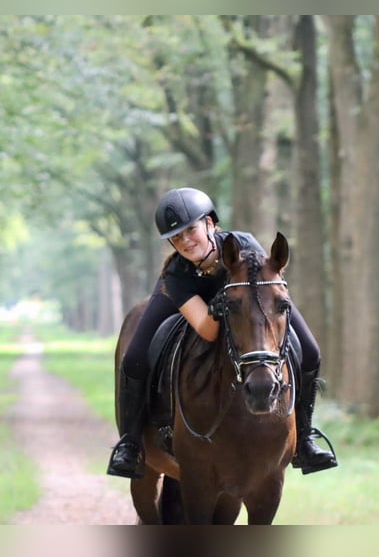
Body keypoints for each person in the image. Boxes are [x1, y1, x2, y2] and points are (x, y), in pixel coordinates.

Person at [107, 187, 338, 479]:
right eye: (175, 237)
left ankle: (305, 439)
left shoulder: (245, 245)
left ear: (210, 223)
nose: (185, 241)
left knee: (311, 351)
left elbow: (265, 294)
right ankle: (130, 444)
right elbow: (206, 329)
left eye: (190, 229)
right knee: (135, 356)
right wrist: (216, 309)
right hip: (189, 298)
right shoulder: (176, 275)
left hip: (240, 299)